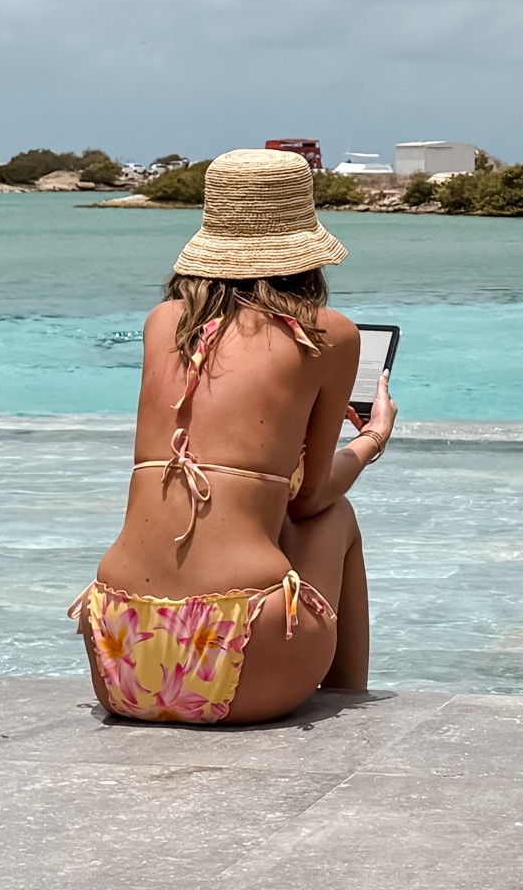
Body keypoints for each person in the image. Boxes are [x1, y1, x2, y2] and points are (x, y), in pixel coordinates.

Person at [68, 148, 396, 723]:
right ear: (305, 250)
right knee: (332, 518)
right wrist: (370, 441)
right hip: (243, 650)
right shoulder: (329, 336)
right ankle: (350, 702)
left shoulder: (162, 322)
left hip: (120, 652)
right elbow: (312, 498)